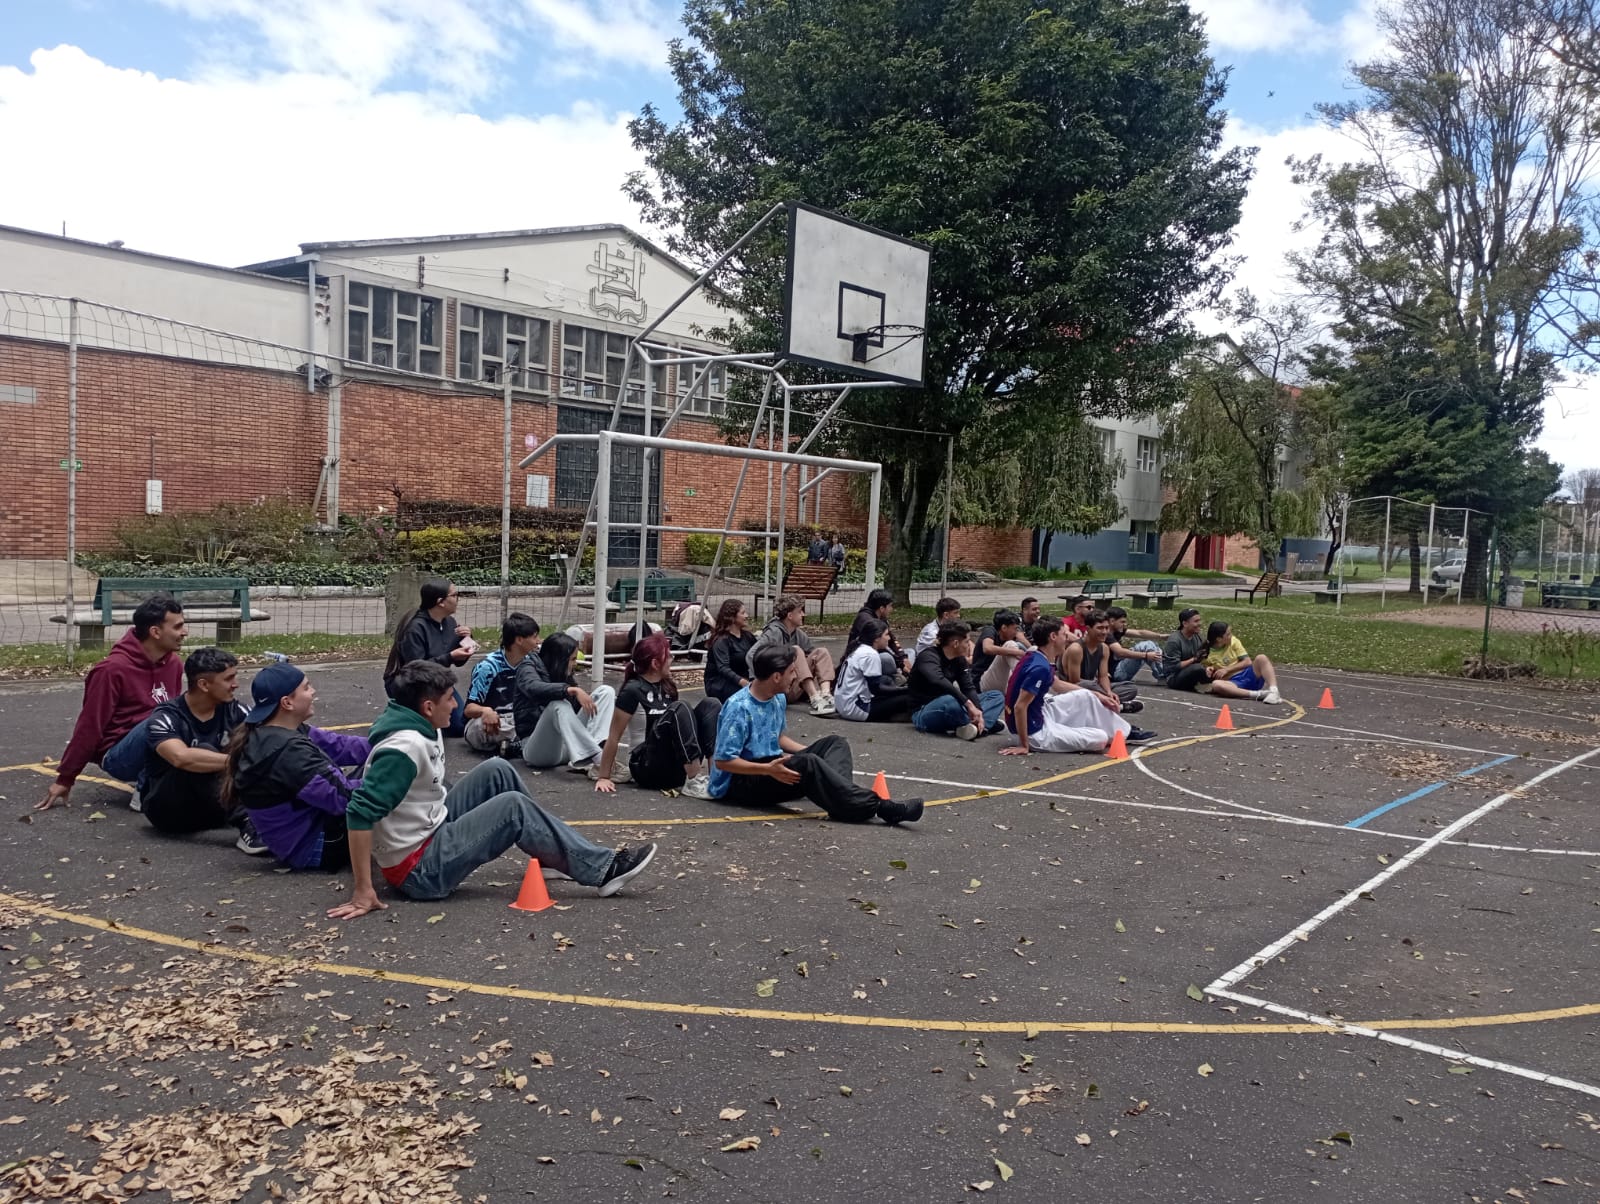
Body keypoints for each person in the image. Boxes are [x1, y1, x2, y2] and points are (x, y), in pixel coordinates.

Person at [327, 661, 657, 919]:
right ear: (428, 707)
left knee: (497, 770)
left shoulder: (419, 722)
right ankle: (602, 871)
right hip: (419, 870)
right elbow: (359, 812)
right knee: (512, 807)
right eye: (448, 701)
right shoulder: (403, 750)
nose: (455, 707)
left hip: (431, 828)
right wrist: (363, 891)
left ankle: (552, 854)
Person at [707, 644, 924, 824]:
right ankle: (881, 807)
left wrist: (815, 755)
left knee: (834, 743)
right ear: (775, 676)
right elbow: (724, 762)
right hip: (742, 781)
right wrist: (768, 769)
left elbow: (778, 738)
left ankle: (843, 799)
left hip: (771, 765)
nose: (795, 677)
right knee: (808, 763)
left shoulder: (777, 698)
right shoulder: (739, 707)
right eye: (792, 672)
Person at [38, 593, 186, 812]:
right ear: (155, 632)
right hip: (118, 755)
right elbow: (90, 726)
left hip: (156, 740)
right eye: (178, 627)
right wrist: (65, 778)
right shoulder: (111, 670)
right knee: (165, 717)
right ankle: (146, 788)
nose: (185, 632)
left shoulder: (173, 662)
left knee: (192, 712)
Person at [223, 661, 373, 869]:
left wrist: (391, 743)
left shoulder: (276, 730)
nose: (313, 692)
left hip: (308, 834)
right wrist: (400, 776)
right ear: (287, 703)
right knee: (393, 782)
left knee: (382, 765)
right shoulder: (287, 753)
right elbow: (343, 799)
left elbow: (341, 746)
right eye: (306, 687)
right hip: (315, 847)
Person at [139, 646, 250, 840]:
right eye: (228, 679)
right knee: (201, 752)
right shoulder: (166, 716)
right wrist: (239, 762)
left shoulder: (236, 711)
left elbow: (266, 740)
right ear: (204, 685)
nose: (236, 684)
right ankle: (248, 825)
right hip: (170, 813)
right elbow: (181, 757)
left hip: (216, 812)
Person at [1001, 618, 1155, 755]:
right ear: (1053, 637)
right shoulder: (1039, 667)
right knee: (1100, 738)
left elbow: (1056, 684)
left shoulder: (1036, 654)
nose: (1067, 638)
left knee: (1086, 695)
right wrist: (1023, 745)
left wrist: (1098, 695)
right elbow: (1020, 707)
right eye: (1064, 634)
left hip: (1038, 713)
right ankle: (1110, 732)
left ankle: (1125, 732)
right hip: (1033, 732)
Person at [593, 634, 722, 796]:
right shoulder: (632, 690)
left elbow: (681, 731)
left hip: (673, 764)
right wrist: (604, 776)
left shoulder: (668, 687)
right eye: (667, 656)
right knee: (679, 708)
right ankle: (694, 779)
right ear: (655, 663)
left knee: (711, 704)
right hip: (646, 766)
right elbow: (614, 736)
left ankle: (716, 776)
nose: (672, 659)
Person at [514, 632, 617, 775]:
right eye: (572, 659)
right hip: (538, 751)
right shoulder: (527, 668)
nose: (575, 663)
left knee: (606, 692)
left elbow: (574, 711)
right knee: (558, 704)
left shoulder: (563, 673)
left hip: (570, 749)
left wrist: (579, 696)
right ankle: (598, 759)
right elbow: (533, 687)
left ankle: (595, 753)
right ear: (559, 659)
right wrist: (569, 690)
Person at [383, 577, 471, 737]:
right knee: (434, 728)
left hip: (436, 681)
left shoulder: (449, 622)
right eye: (454, 595)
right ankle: (406, 710)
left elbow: (455, 660)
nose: (458, 599)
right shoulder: (415, 628)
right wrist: (450, 656)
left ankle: (426, 714)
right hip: (410, 683)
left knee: (459, 726)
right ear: (440, 602)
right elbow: (416, 669)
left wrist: (466, 644)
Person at [910, 621, 1004, 740]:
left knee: (996, 695)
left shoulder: (959, 660)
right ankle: (985, 722)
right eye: (966, 642)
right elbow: (938, 680)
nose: (969, 646)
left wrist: (978, 710)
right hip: (926, 710)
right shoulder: (928, 656)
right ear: (955, 643)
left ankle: (979, 726)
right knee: (950, 701)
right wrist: (968, 704)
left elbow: (968, 687)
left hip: (956, 704)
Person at [463, 613, 540, 757]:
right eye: (534, 637)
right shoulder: (488, 667)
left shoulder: (533, 662)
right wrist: (485, 711)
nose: (538, 641)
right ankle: (525, 743)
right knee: (480, 726)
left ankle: (516, 746)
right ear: (519, 640)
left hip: (521, 718)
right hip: (495, 721)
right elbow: (469, 709)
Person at [748, 594, 837, 715]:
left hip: (794, 684)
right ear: (790, 615)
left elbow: (813, 660)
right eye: (800, 611)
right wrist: (760, 682)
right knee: (795, 650)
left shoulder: (798, 634)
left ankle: (826, 696)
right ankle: (815, 698)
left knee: (821, 652)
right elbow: (751, 654)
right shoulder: (774, 632)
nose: (803, 615)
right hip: (780, 687)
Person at [834, 618, 916, 723]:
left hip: (842, 704)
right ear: (876, 638)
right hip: (856, 709)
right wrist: (905, 690)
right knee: (909, 697)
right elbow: (877, 689)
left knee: (886, 680)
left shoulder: (859, 648)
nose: (889, 638)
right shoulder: (870, 655)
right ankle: (899, 716)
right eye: (886, 635)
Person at [1060, 610, 1142, 711]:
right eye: (1100, 628)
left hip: (1094, 687)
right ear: (1088, 629)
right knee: (1088, 685)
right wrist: (1100, 692)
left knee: (1130, 688)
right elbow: (1074, 681)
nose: (1104, 632)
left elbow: (1103, 676)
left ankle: (1104, 702)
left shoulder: (1104, 648)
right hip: (1076, 689)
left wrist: (1108, 692)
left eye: (1106, 628)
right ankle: (1113, 705)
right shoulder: (1076, 649)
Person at [1204, 621, 1284, 704]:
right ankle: (1259, 694)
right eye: (1228, 634)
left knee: (1261, 658)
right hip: (1233, 683)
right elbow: (1208, 670)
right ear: (1219, 639)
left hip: (1247, 674)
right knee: (1216, 684)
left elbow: (1247, 661)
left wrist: (1227, 670)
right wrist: (1209, 669)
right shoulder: (1207, 653)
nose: (1231, 636)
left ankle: (1274, 691)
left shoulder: (1234, 642)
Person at [845, 589, 911, 680]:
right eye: (890, 606)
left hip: (879, 654)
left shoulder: (881, 617)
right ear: (882, 608)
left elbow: (891, 639)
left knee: (910, 652)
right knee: (886, 658)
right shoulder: (866, 621)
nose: (892, 609)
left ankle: (904, 676)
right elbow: (881, 648)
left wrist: (903, 657)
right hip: (866, 659)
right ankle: (895, 679)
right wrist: (901, 665)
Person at [704, 600, 757, 703]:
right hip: (720, 683)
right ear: (732, 617)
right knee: (754, 695)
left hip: (743, 680)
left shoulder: (747, 636)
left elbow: (759, 654)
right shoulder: (721, 640)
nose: (746, 616)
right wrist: (743, 683)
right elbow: (723, 668)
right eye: (743, 613)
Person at [973, 610, 1030, 694]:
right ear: (1004, 628)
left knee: (1032, 649)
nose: (1016, 632)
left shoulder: (1008, 636)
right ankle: (1025, 683)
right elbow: (987, 648)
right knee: (1010, 645)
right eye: (1015, 629)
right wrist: (1016, 652)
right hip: (982, 681)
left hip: (1001, 680)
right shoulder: (990, 631)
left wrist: (1022, 639)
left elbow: (1030, 650)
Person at [1160, 608, 1215, 693]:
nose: (1199, 624)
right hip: (1174, 678)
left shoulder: (1197, 637)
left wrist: (1208, 667)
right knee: (1197, 668)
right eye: (1196, 621)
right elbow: (1173, 667)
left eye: (1199, 620)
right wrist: (1194, 659)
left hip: (1192, 672)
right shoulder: (1174, 640)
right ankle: (1206, 685)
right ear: (1185, 623)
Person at [1105, 607, 1165, 683]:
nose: (1125, 624)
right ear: (1112, 621)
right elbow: (1120, 652)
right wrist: (1146, 655)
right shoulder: (1106, 635)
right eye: (1122, 622)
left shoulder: (1117, 631)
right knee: (1147, 645)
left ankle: (1165, 673)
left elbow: (1140, 633)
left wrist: (1162, 636)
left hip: (1119, 669)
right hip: (1115, 674)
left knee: (1153, 645)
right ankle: (1164, 676)